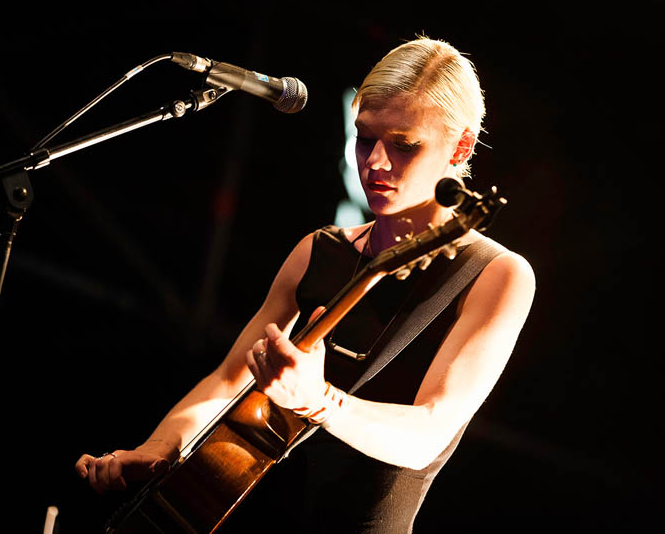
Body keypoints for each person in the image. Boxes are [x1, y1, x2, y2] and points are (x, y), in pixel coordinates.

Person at [75, 36, 535, 533]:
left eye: (403, 144)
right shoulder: (318, 249)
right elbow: (229, 380)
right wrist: (158, 450)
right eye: (364, 137)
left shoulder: (497, 274)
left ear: (461, 145)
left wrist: (319, 400)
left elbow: (427, 434)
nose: (375, 161)